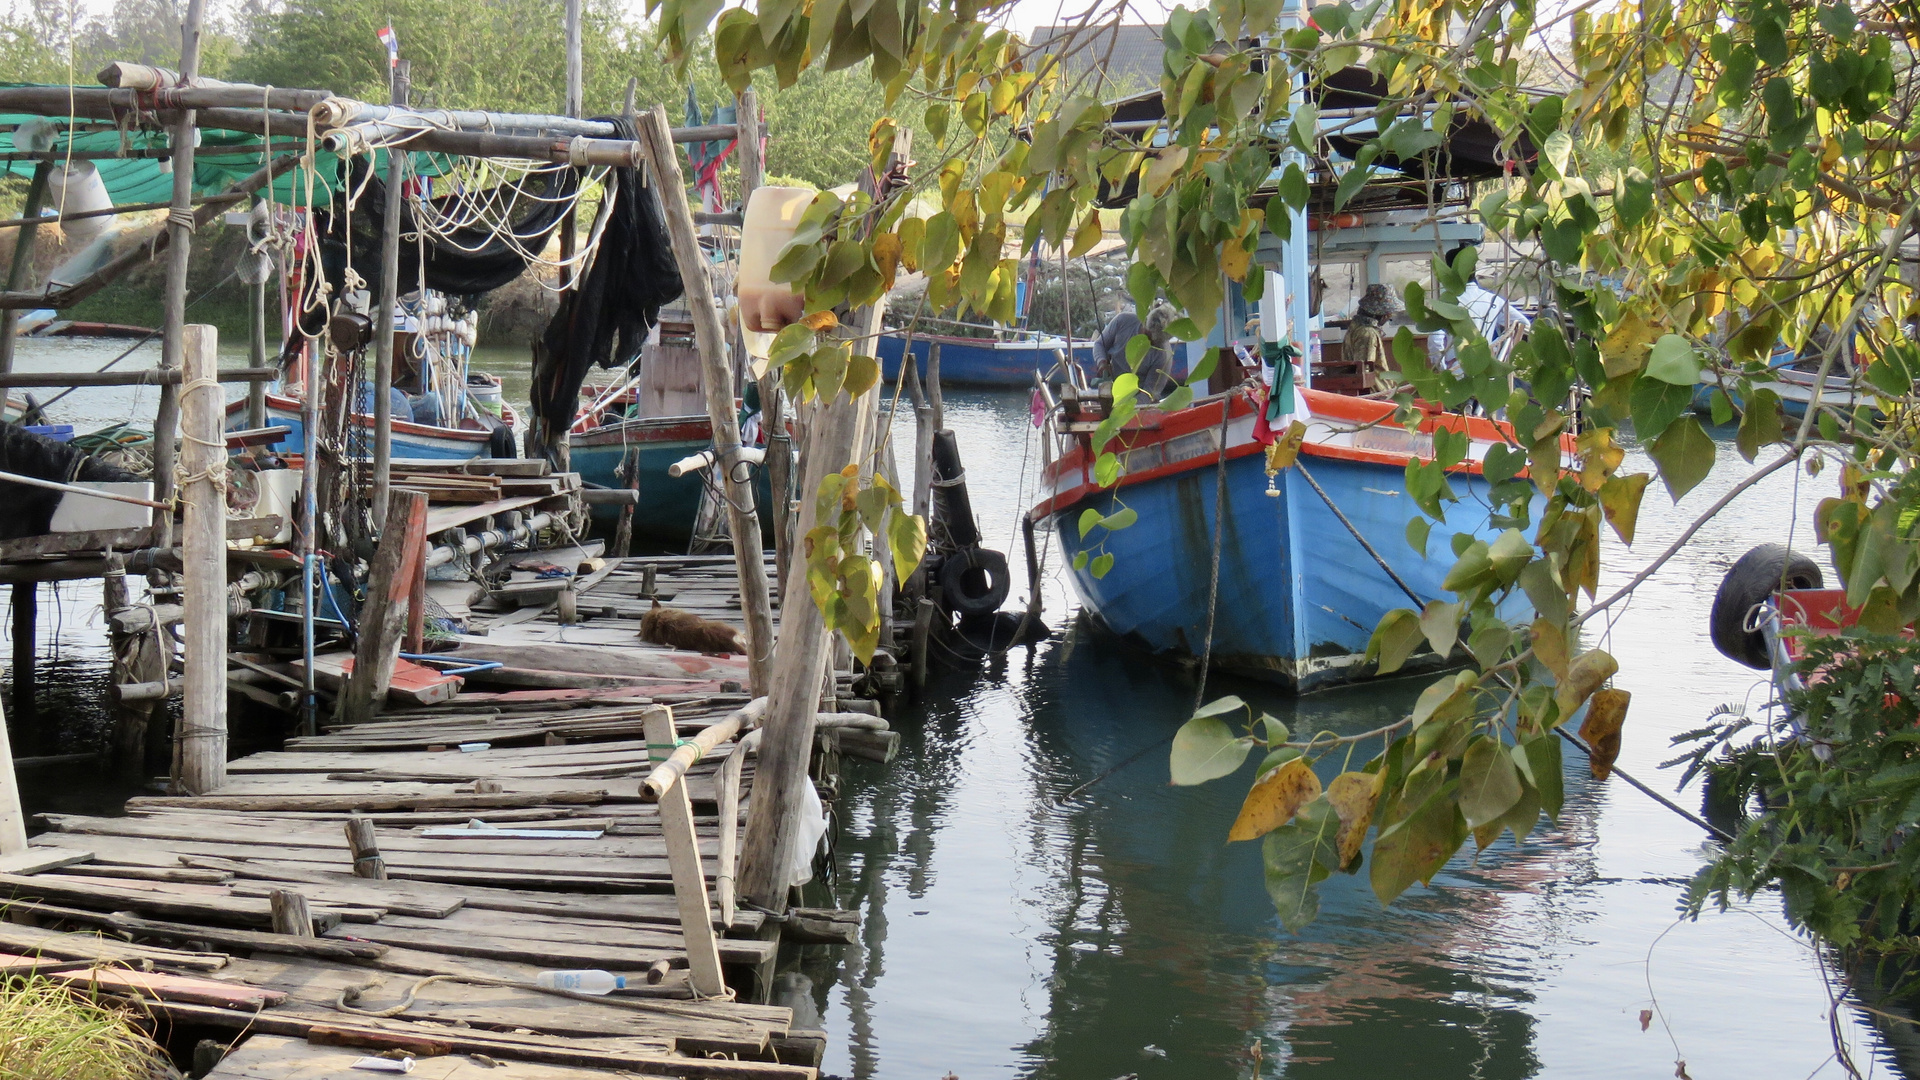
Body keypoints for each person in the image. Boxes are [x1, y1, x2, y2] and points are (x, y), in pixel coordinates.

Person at [1425, 243, 1530, 374]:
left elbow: (1435, 338)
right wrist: (1497, 349)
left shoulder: (1447, 304)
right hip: (1486, 369)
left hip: (1457, 372)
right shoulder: (1493, 299)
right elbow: (1523, 324)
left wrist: (1441, 367)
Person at [1092, 296, 1177, 399]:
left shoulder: (1163, 356)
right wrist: (1102, 362)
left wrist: (1123, 408)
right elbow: (1099, 344)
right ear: (1144, 321)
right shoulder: (1123, 321)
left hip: (1134, 399)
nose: (1146, 341)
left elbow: (1148, 395)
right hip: (1109, 386)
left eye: (1153, 341)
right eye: (1146, 334)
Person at [1343, 283, 1399, 392]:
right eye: (1388, 313)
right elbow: (1364, 372)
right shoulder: (1367, 333)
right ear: (1381, 313)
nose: (1389, 316)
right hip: (1376, 395)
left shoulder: (1355, 327)